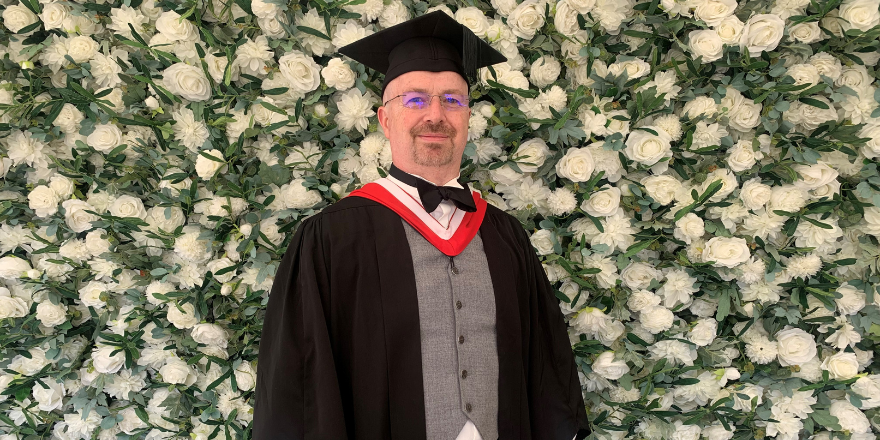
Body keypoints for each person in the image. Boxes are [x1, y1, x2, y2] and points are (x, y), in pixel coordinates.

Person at [252, 10, 590, 440]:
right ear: (384, 119)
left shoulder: (505, 235)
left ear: (468, 119)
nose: (436, 115)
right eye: (415, 99)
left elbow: (545, 362)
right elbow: (299, 380)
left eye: (452, 100)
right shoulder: (331, 239)